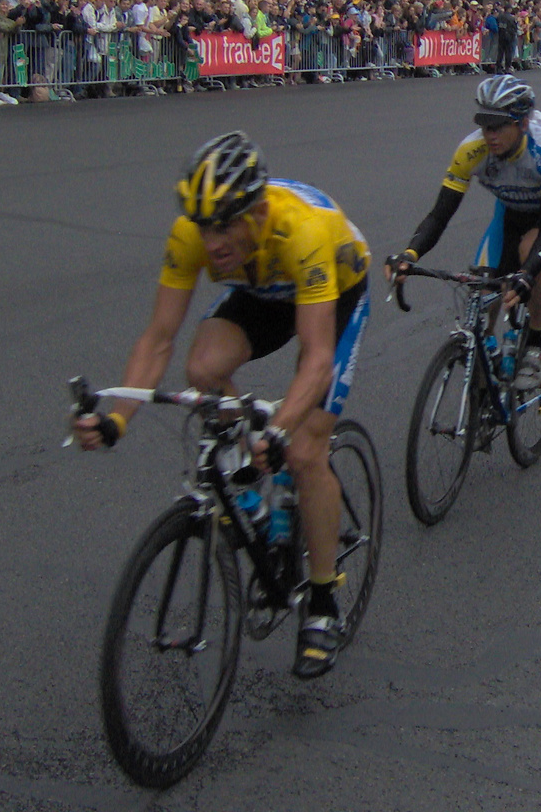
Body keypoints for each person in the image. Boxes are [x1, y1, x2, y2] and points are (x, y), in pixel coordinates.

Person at [70, 133, 371, 679]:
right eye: (205, 226)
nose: (213, 242)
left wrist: (279, 432)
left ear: (258, 212)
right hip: (262, 292)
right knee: (203, 368)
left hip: (333, 289)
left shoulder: (303, 231)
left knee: (305, 450)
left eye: (227, 224)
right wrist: (115, 418)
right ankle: (256, 488)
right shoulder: (192, 235)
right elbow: (158, 338)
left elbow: (318, 357)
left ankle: (323, 601)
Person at [387, 75, 541, 392]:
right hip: (509, 213)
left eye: (498, 126)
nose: (489, 135)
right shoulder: (471, 151)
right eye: (484, 125)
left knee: (530, 255)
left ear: (521, 123)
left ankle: (535, 342)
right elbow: (440, 214)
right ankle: (482, 398)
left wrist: (528, 273)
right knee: (480, 289)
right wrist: (410, 254)